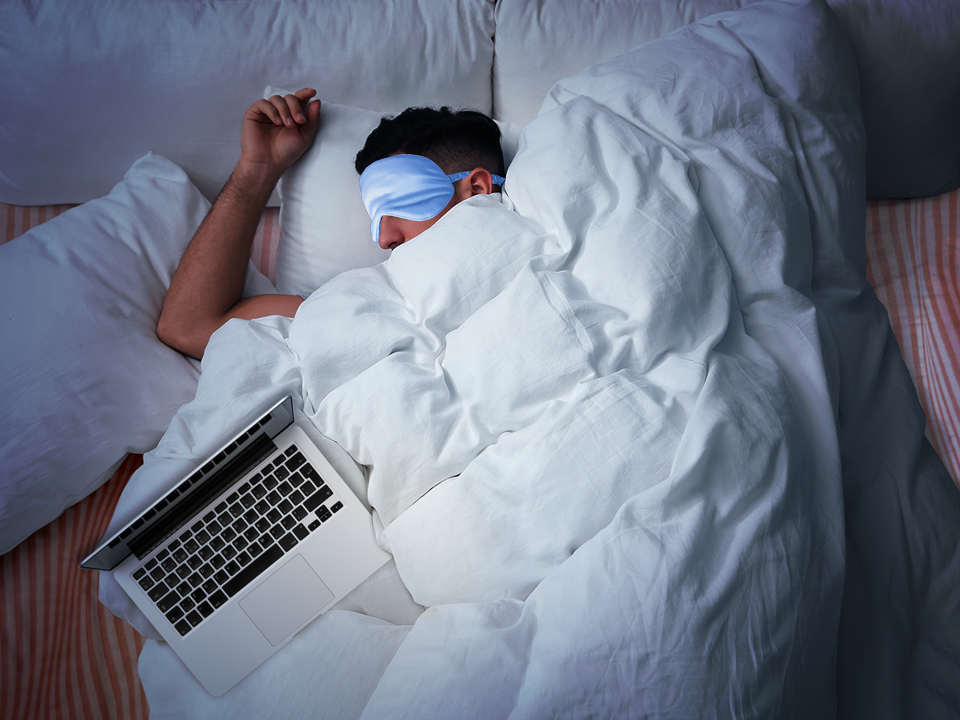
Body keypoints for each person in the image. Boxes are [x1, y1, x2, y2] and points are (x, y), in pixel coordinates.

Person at [157, 88, 507, 360]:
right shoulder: (366, 301)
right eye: (376, 217)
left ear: (476, 188)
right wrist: (258, 168)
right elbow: (189, 327)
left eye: (400, 205)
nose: (384, 239)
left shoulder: (550, 242)